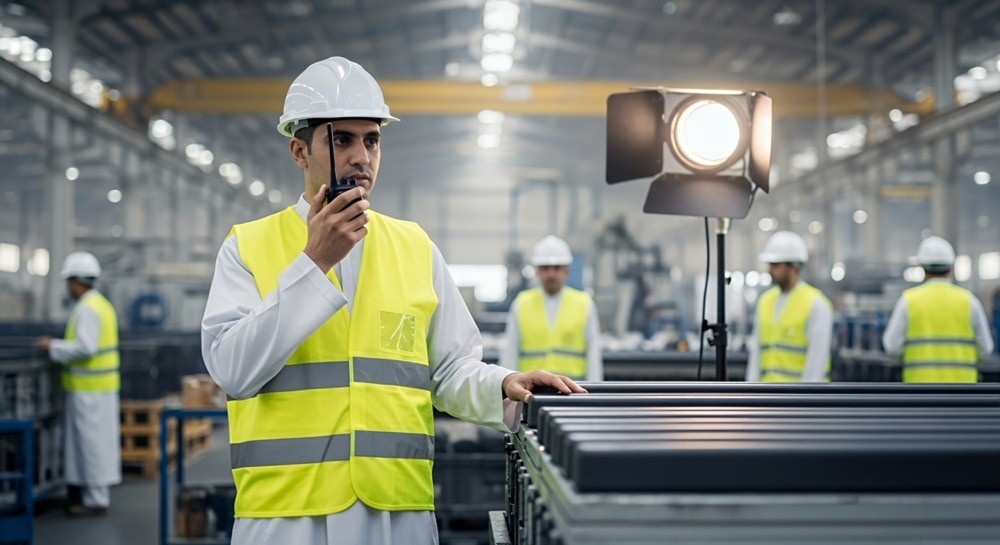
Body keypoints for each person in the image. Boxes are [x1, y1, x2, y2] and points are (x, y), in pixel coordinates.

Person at [200, 56, 584, 545]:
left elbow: (448, 370)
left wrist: (503, 384)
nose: (362, 156)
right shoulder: (247, 248)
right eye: (342, 139)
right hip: (286, 517)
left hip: (397, 513)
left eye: (372, 139)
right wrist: (312, 263)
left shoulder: (414, 247)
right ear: (299, 151)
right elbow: (232, 370)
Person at [34, 251, 121, 516]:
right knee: (94, 444)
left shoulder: (87, 309)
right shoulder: (101, 304)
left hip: (90, 390)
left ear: (75, 281)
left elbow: (86, 348)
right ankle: (92, 494)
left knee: (91, 445)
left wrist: (53, 346)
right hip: (98, 389)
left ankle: (95, 499)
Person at [882, 236, 994, 382]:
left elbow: (891, 346)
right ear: (950, 268)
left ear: (923, 268)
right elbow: (986, 348)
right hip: (963, 394)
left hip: (919, 392)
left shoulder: (908, 301)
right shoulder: (969, 301)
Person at [501, 236, 602, 381]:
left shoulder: (584, 304)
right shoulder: (522, 303)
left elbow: (593, 355)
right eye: (545, 268)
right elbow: (510, 352)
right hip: (531, 393)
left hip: (572, 393)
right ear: (537, 271)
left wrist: (592, 397)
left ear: (566, 271)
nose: (551, 274)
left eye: (556, 268)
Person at [745, 231, 833, 382]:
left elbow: (815, 367)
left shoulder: (817, 304)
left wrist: (804, 402)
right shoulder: (765, 301)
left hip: (797, 401)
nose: (770, 270)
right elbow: (756, 357)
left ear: (794, 267)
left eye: (776, 265)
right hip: (767, 399)